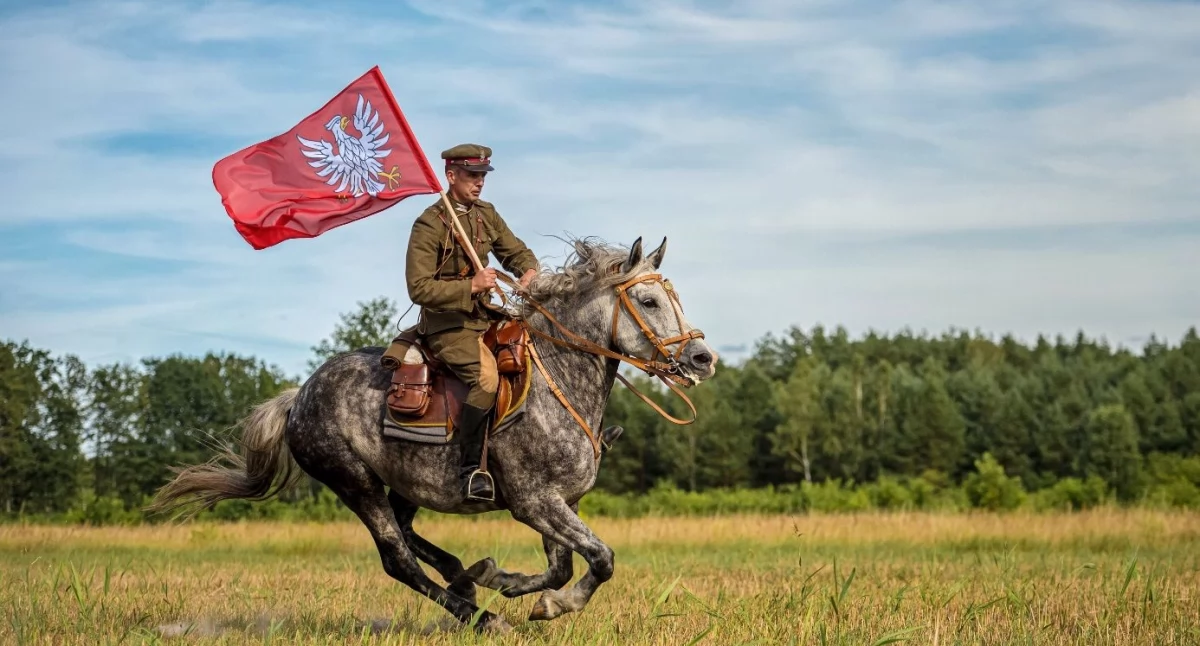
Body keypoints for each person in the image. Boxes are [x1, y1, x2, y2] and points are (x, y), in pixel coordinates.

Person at [405, 144, 538, 502]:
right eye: (472, 176)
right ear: (451, 176)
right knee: (487, 378)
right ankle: (470, 471)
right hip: (448, 326)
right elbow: (417, 287)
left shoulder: (486, 214)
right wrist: (472, 286)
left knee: (537, 353)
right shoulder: (429, 223)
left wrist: (528, 271)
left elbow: (516, 252)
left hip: (484, 318)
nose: (480, 183)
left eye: (483, 176)